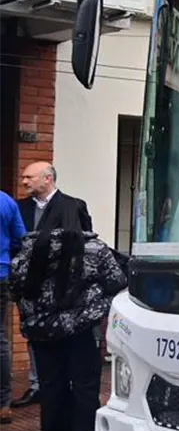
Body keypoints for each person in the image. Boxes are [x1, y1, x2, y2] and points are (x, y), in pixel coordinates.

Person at [9, 228, 126, 431]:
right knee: (85, 386)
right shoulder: (94, 249)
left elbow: (16, 287)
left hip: (43, 332)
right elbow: (117, 282)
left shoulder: (29, 250)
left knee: (52, 388)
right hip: (82, 329)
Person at [12, 162, 92, 408]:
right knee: (34, 332)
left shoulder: (73, 205)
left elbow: (86, 242)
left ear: (47, 179)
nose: (24, 182)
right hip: (30, 285)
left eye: (29, 177)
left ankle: (60, 384)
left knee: (63, 336)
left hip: (63, 288)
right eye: (23, 177)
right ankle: (37, 384)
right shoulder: (19, 208)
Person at [0, 188, 26, 424]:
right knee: (1, 340)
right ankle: (3, 404)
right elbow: (21, 239)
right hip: (1, 274)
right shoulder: (6, 202)